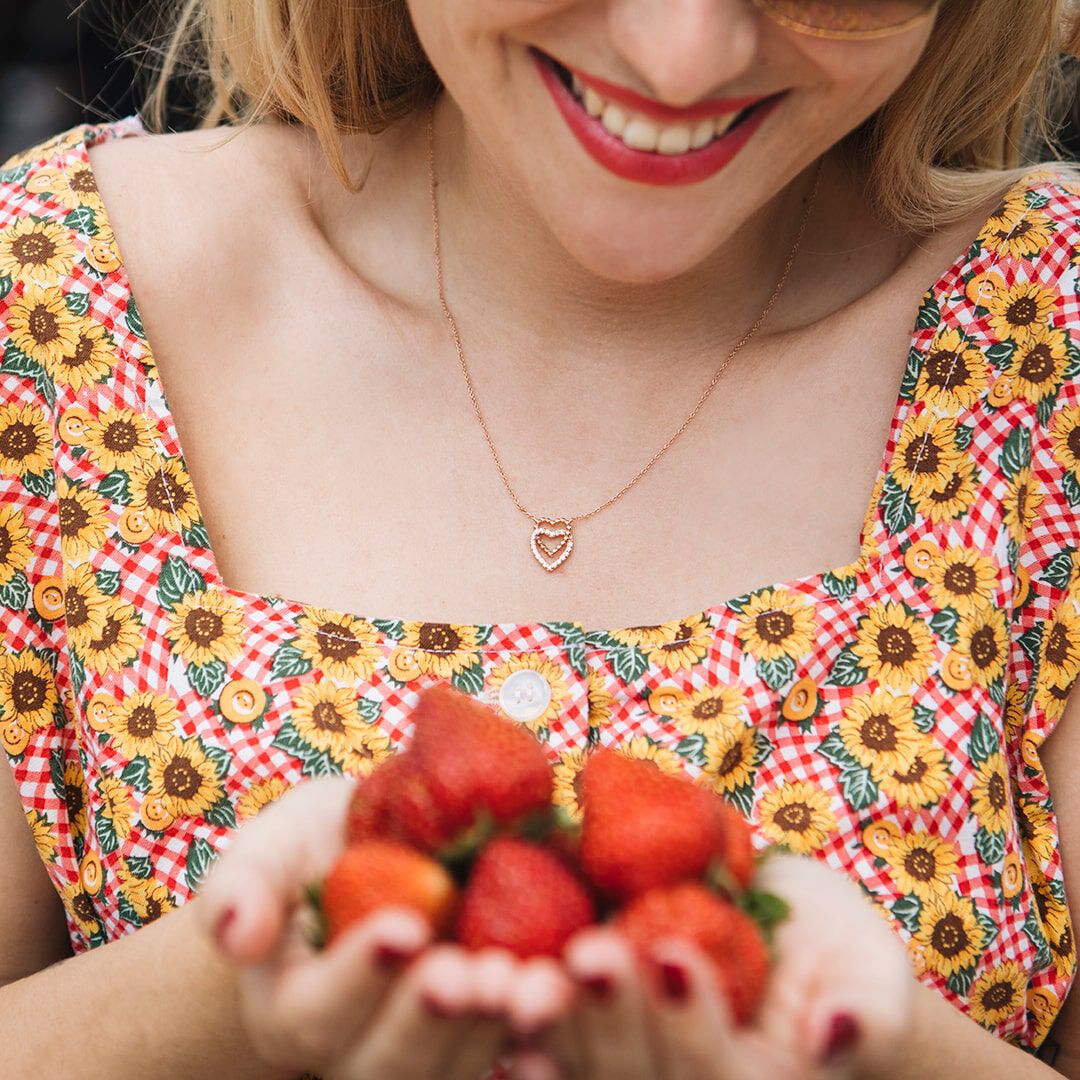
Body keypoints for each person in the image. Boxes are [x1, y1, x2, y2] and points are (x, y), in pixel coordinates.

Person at [2, 0, 1080, 1075]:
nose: (680, 56)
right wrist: (223, 985)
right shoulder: (53, 304)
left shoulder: (1047, 341)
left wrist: (889, 1050)